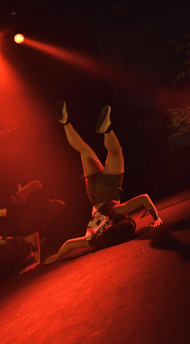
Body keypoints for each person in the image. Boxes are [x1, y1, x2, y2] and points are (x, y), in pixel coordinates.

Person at [45, 102, 162, 264]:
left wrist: (156, 218)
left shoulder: (118, 212)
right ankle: (65, 122)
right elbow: (69, 244)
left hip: (107, 190)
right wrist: (56, 257)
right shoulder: (95, 240)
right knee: (83, 149)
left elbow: (145, 198)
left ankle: (107, 129)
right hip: (92, 194)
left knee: (116, 152)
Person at [0, 180, 65, 239]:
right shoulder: (42, 211)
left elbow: (57, 203)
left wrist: (27, 196)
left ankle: (3, 207)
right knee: (35, 185)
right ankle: (4, 206)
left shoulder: (46, 210)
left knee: (36, 184)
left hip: (32, 225)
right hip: (31, 225)